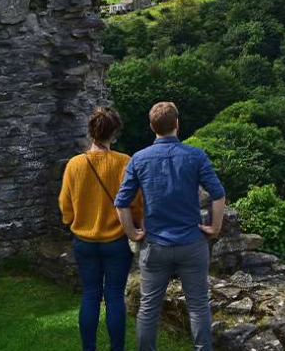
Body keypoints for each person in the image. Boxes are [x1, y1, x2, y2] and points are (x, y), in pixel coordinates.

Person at [115, 102, 226, 351]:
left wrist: (132, 233)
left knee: (149, 307)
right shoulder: (195, 155)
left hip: (155, 244)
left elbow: (121, 203)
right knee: (198, 305)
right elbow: (218, 195)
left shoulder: (139, 159)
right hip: (191, 243)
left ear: (152, 127)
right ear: (177, 124)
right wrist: (215, 227)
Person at [59, 107, 143, 351]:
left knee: (90, 295)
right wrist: (136, 224)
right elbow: (135, 202)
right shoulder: (124, 162)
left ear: (91, 132)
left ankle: (89, 348)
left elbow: (65, 204)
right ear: (114, 133)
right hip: (116, 241)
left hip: (83, 241)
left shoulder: (75, 164)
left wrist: (72, 220)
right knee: (115, 296)